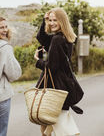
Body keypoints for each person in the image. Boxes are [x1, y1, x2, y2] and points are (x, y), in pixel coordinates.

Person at [34, 8, 82, 136]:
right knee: (52, 126)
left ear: (62, 21)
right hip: (62, 86)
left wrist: (38, 61)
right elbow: (41, 38)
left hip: (53, 87)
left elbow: (52, 67)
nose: (51, 23)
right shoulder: (65, 37)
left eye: (55, 20)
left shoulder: (57, 40)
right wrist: (44, 21)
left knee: (52, 127)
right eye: (50, 20)